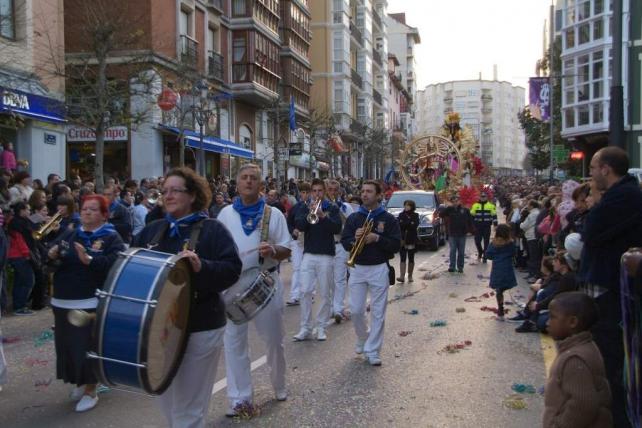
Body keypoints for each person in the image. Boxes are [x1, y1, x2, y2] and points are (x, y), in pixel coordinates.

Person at [133, 167, 241, 428]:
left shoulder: (212, 230)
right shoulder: (152, 231)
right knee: (166, 399)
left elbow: (231, 270)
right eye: (164, 191)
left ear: (192, 195)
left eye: (175, 190)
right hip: (159, 329)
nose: (167, 196)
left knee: (188, 411)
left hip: (201, 327)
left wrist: (201, 266)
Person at [217, 163, 291, 417]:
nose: (248, 181)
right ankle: (239, 398)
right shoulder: (225, 214)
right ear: (236, 183)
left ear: (261, 185)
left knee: (273, 341)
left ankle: (279, 385)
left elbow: (287, 249)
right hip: (232, 286)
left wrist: (273, 250)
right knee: (233, 344)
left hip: (265, 284)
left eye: (253, 178)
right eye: (244, 177)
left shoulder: (274, 214)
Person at [581, 146, 642, 428]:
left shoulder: (623, 197)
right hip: (608, 289)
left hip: (613, 293)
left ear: (606, 168)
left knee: (612, 366)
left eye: (593, 168)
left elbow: (590, 233)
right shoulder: (621, 196)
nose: (591, 174)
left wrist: (595, 202)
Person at [46, 195, 124, 412]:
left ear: (104, 214)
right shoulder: (71, 232)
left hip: (89, 298)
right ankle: (80, 382)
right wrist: (51, 254)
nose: (87, 212)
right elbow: (52, 256)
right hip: (63, 298)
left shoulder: (111, 237)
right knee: (67, 345)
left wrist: (90, 260)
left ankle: (91, 389)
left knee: (86, 345)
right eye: (85, 209)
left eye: (93, 209)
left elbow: (114, 265)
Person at [341, 180, 401, 366]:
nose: (364, 194)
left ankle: (373, 350)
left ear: (378, 195)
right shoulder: (354, 218)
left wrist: (377, 238)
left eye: (369, 191)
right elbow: (345, 241)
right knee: (356, 310)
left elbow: (396, 245)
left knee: (378, 312)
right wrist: (354, 240)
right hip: (357, 268)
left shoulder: (388, 219)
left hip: (378, 268)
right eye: (363, 191)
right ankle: (363, 337)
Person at [543, 291, 612, 428]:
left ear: (572, 322)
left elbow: (583, 405)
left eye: (552, 317)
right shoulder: (584, 346)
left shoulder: (574, 359)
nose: (547, 322)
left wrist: (558, 425)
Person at [293, 178, 341, 341]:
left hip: (326, 255)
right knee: (305, 291)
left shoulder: (332, 208)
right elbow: (299, 225)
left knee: (324, 293)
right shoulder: (305, 207)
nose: (317, 194)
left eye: (320, 191)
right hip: (309, 254)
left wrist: (323, 217)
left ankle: (321, 326)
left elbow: (337, 228)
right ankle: (305, 327)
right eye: (314, 191)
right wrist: (309, 213)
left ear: (325, 191)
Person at [326, 179, 354, 323]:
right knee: (328, 279)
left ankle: (338, 308)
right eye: (329, 190)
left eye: (335, 190)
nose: (332, 192)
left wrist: (338, 210)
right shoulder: (322, 207)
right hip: (325, 246)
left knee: (340, 278)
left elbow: (350, 226)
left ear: (340, 192)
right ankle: (331, 306)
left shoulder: (346, 207)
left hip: (340, 245)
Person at [7, 202, 36, 315]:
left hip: (17, 255)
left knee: (20, 281)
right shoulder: (17, 223)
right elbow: (20, 241)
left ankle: (17, 305)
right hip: (19, 256)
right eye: (28, 209)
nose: (29, 212)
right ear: (22, 210)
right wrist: (27, 254)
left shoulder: (18, 222)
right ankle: (20, 306)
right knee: (28, 280)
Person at [285, 182, 311, 306]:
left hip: (310, 240)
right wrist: (292, 230)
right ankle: (295, 295)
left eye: (306, 192)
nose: (304, 195)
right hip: (297, 241)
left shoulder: (314, 206)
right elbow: (289, 222)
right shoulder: (295, 208)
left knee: (309, 269)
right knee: (297, 268)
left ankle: (309, 293)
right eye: (302, 192)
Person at [485, 224, 516, 320]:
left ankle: (501, 310)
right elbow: (513, 253)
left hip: (497, 268)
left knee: (499, 290)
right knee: (504, 286)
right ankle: (501, 306)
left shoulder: (494, 243)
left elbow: (488, 255)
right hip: (507, 267)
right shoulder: (510, 243)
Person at [441, 194, 473, 274]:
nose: (455, 202)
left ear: (460, 201)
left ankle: (460, 267)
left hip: (462, 234)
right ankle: (452, 266)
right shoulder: (450, 209)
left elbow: (470, 221)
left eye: (457, 201)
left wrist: (471, 231)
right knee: (453, 250)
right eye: (453, 201)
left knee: (461, 252)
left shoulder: (465, 210)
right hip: (452, 233)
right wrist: (446, 208)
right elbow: (441, 215)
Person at [470, 190, 497, 263]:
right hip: (478, 226)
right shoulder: (475, 205)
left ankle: (485, 256)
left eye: (484, 196)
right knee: (477, 241)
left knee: (486, 242)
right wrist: (472, 225)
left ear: (486, 197)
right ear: (479, 197)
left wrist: (495, 225)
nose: (482, 198)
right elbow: (471, 216)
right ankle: (480, 252)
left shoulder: (491, 206)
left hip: (486, 226)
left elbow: (494, 216)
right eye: (481, 196)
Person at [396, 199, 419, 283]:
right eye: (405, 205)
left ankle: (410, 275)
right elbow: (400, 224)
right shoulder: (401, 215)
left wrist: (406, 224)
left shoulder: (415, 215)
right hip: (403, 239)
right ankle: (402, 276)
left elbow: (414, 225)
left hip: (411, 239)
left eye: (408, 205)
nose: (406, 207)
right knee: (402, 257)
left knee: (411, 257)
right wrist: (408, 223)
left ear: (412, 206)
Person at [520, 200, 541, 280]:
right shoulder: (535, 213)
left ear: (532, 206)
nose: (527, 206)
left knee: (533, 256)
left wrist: (521, 224)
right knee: (532, 256)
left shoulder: (533, 214)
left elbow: (524, 225)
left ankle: (533, 274)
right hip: (531, 236)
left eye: (528, 205)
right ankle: (532, 273)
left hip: (532, 236)